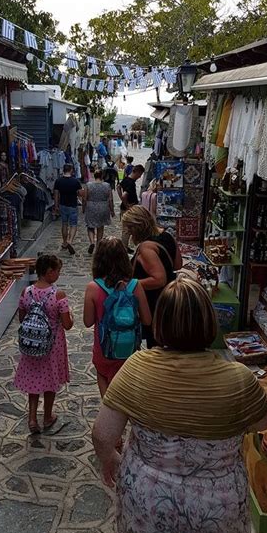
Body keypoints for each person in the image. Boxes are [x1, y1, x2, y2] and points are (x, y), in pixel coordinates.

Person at [92, 277, 267, 533]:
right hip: (217, 506)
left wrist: (114, 461)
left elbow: (102, 434)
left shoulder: (137, 368)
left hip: (148, 501)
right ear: (210, 321)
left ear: (160, 322)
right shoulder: (239, 379)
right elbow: (264, 423)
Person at [83, 237, 151, 396]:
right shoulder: (135, 285)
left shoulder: (93, 288)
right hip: (129, 349)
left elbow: (87, 322)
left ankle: (108, 411)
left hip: (104, 348)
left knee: (102, 374)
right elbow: (147, 320)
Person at [14, 255, 73, 433]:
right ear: (49, 272)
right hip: (52, 345)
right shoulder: (58, 295)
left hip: (32, 344)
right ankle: (47, 416)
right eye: (57, 271)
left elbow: (22, 318)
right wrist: (72, 317)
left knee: (34, 380)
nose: (58, 274)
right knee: (50, 380)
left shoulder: (27, 292)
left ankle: (32, 419)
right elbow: (67, 324)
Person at [121, 205, 182, 348]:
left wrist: (132, 284)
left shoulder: (146, 248)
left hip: (154, 303)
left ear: (137, 227)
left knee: (155, 343)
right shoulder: (167, 236)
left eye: (129, 228)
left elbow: (159, 279)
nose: (128, 232)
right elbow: (178, 264)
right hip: (170, 298)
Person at [83, 169, 115, 254]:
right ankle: (98, 245)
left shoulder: (88, 185)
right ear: (102, 176)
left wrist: (83, 208)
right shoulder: (107, 185)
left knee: (90, 226)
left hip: (91, 206)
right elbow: (110, 199)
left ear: (94, 176)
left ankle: (92, 242)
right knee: (100, 227)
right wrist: (112, 210)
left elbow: (84, 198)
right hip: (103, 207)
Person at [54, 164, 83, 255]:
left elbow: (56, 194)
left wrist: (56, 206)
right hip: (73, 205)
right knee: (73, 224)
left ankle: (65, 242)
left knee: (64, 223)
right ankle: (70, 241)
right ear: (71, 170)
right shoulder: (75, 181)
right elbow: (80, 194)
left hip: (63, 205)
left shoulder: (58, 181)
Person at [117, 165, 145, 253]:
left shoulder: (125, 179)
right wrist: (127, 205)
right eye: (140, 174)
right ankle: (124, 248)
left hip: (125, 207)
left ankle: (125, 246)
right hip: (129, 208)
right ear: (137, 172)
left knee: (127, 229)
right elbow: (124, 195)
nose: (140, 177)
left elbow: (118, 187)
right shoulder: (131, 183)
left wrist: (122, 199)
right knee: (127, 230)